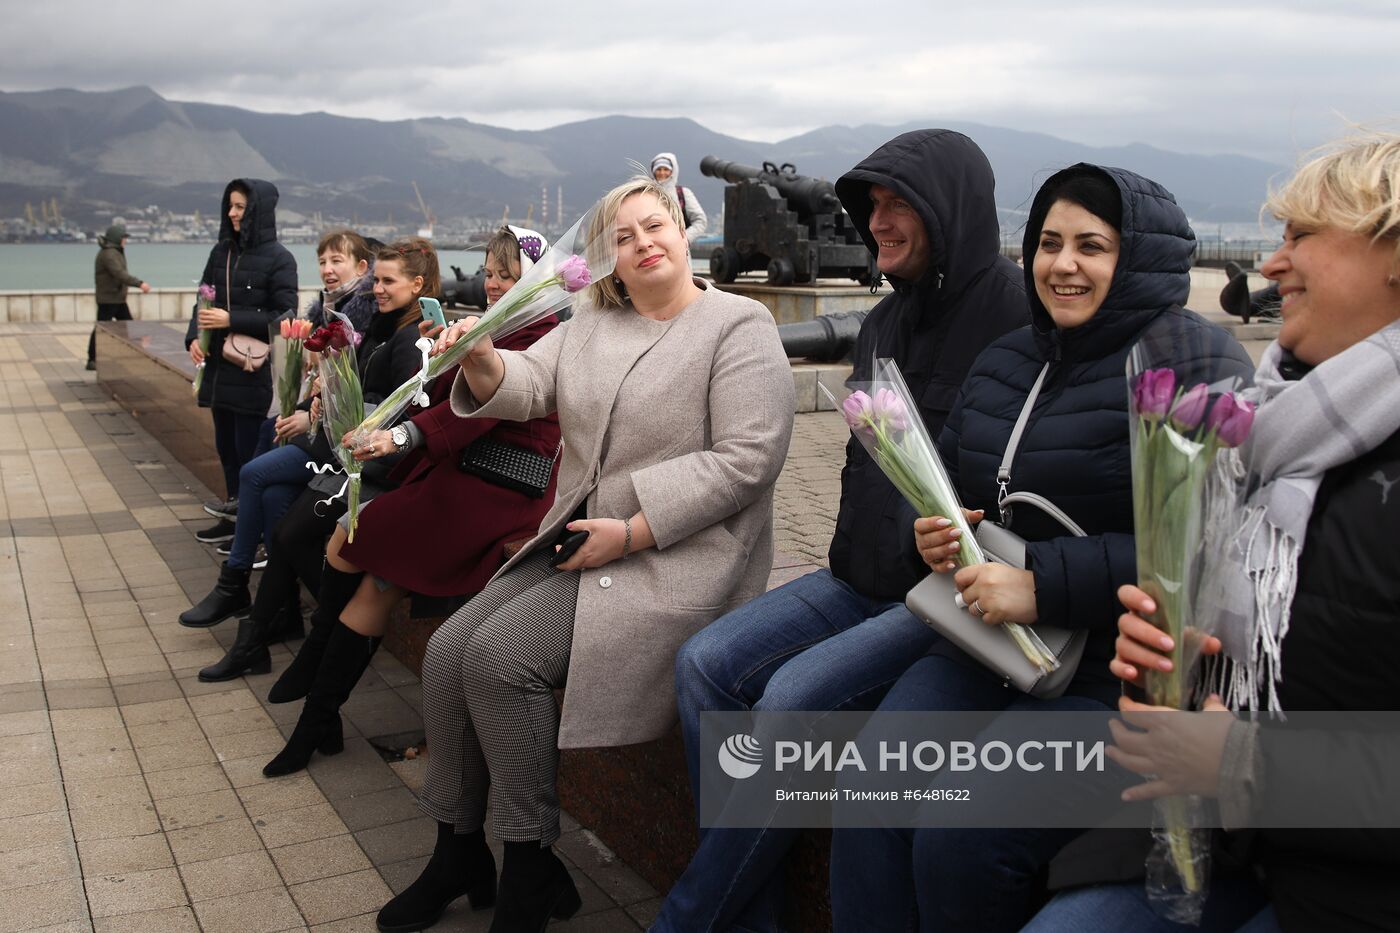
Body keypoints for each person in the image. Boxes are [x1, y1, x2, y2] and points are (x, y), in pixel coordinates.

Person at [825, 163, 1253, 932]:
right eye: (1049, 242)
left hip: (1111, 668)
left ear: (1141, 257)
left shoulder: (1193, 363)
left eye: (1093, 245)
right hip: (983, 641)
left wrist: (1042, 585)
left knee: (964, 832)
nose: (1063, 264)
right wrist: (936, 530)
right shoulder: (1009, 356)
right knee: (869, 783)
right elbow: (954, 480)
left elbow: (1206, 548)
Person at [373, 176, 795, 933]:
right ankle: (457, 849)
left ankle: (530, 864)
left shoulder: (739, 324)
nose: (642, 244)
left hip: (674, 557)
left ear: (684, 230)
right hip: (583, 540)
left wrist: (631, 530)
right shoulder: (596, 318)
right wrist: (476, 355)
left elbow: (747, 459)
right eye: (622, 238)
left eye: (653, 225)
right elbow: (529, 383)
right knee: (446, 654)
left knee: (499, 660)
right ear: (606, 259)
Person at [652, 128, 1028, 933]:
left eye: (901, 205)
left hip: (942, 598)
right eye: (873, 206)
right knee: (704, 665)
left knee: (787, 704)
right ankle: (754, 914)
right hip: (855, 576)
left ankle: (689, 916)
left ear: (950, 210)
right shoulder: (886, 321)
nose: (880, 222)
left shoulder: (1019, 320)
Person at [1025, 133, 1400, 933]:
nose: (1271, 265)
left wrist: (1246, 765)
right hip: (1241, 837)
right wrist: (1172, 670)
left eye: (1302, 236)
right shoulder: (1275, 427)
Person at [259, 227, 561, 776]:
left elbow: (484, 410)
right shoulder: (501, 322)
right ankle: (315, 715)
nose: (492, 285)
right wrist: (440, 349)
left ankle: (313, 711)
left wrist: (402, 437)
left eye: (506, 275)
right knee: (355, 545)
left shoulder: (541, 331)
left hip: (502, 485)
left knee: (363, 549)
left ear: (534, 281)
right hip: (462, 470)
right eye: (490, 273)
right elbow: (454, 398)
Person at [178, 229, 377, 638]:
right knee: (270, 495)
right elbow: (321, 384)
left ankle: (234, 581)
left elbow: (358, 396)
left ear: (362, 267)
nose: (327, 269)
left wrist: (309, 414)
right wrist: (305, 405)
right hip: (320, 435)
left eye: (337, 261)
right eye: (323, 262)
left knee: (254, 475)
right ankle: (282, 612)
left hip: (337, 450)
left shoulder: (361, 319)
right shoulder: (327, 311)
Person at [186, 179, 299, 544]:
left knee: (248, 451)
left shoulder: (280, 259)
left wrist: (231, 320)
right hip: (218, 370)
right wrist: (193, 337)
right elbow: (203, 298)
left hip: (251, 371)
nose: (233, 214)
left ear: (258, 211)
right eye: (230, 206)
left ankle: (248, 531)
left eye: (240, 207)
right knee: (226, 450)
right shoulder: (221, 251)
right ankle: (231, 516)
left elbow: (285, 315)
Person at [88, 222, 151, 370]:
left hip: (116, 298)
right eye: (123, 237)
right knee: (103, 327)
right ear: (117, 238)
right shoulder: (109, 254)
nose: (125, 241)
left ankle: (132, 353)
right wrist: (139, 283)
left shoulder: (114, 252)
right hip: (108, 299)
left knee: (128, 325)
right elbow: (119, 273)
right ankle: (92, 358)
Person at [651, 152, 707, 244]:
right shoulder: (646, 194)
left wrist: (684, 239)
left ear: (673, 171)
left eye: (666, 169)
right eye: (658, 169)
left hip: (679, 250)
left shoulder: (683, 194)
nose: (662, 173)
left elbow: (700, 220)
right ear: (653, 171)